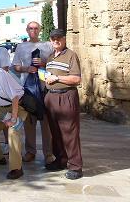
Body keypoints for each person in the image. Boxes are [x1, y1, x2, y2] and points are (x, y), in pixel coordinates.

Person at [12, 21, 54, 164]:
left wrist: (44, 64)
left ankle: (48, 153)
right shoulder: (21, 47)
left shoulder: (48, 46)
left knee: (46, 123)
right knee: (29, 122)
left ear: (40, 30)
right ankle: (30, 151)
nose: (33, 30)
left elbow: (54, 64)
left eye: (36, 28)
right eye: (31, 28)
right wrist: (26, 69)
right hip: (28, 88)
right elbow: (15, 66)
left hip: (44, 88)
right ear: (27, 30)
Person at [44, 29, 83, 180]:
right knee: (56, 133)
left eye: (58, 38)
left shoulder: (71, 55)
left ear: (64, 39)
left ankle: (75, 166)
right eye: (53, 38)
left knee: (70, 133)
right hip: (51, 98)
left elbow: (76, 79)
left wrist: (57, 79)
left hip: (66, 96)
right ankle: (60, 160)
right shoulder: (50, 57)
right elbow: (49, 76)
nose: (56, 40)